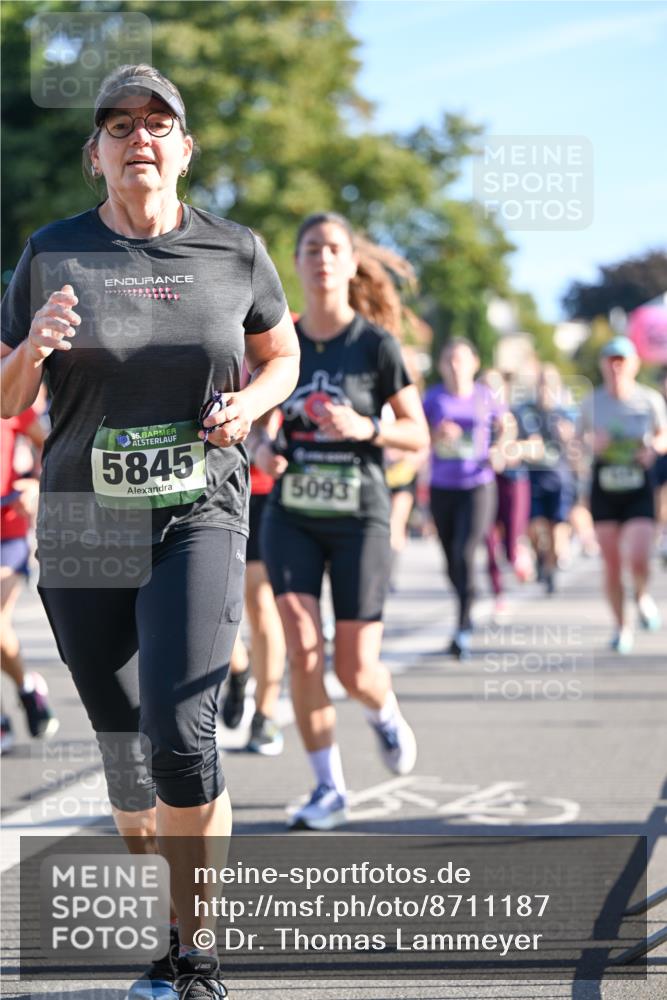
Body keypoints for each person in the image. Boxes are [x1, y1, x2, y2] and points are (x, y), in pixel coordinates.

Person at [1, 64, 299, 1000]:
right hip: (84, 521)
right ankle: (171, 905)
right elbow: (6, 397)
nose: (140, 137)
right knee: (130, 761)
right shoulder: (52, 252)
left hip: (197, 509)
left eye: (158, 123)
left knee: (181, 734)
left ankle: (194, 953)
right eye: (119, 125)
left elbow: (281, 353)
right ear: (94, 154)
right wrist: (33, 346)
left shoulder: (236, 251)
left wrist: (249, 404)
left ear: (185, 148)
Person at [256, 212, 429, 831]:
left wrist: (367, 427)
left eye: (334, 248)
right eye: (312, 249)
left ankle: (382, 710)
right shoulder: (279, 339)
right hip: (292, 515)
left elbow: (418, 434)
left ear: (352, 264)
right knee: (304, 651)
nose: (323, 258)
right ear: (296, 262)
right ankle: (328, 788)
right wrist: (261, 448)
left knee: (355, 670)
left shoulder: (375, 346)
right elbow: (259, 419)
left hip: (360, 517)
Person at [423, 339, 512, 658]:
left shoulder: (487, 396)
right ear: (441, 365)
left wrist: (500, 448)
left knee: (465, 550)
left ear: (474, 363)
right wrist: (436, 434)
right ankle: (466, 597)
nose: (455, 366)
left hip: (478, 485)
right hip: (442, 486)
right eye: (449, 359)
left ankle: (462, 623)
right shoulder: (432, 398)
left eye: (460, 359)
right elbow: (418, 434)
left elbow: (508, 427)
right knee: (450, 559)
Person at [579, 337, 667, 653]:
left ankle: (641, 596)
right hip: (604, 486)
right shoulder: (591, 402)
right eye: (610, 360)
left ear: (634, 365)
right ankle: (621, 627)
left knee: (640, 556)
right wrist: (590, 443)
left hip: (638, 484)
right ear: (603, 365)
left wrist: (653, 449)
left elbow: (663, 435)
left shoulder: (649, 400)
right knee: (613, 563)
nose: (616, 366)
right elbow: (576, 441)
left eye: (622, 360)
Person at [221, 410, 287, 755]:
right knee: (215, 601)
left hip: (265, 494)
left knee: (260, 603)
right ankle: (239, 668)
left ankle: (265, 714)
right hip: (215, 485)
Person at [1, 405, 58, 752]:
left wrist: (35, 484)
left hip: (6, 531)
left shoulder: (6, 399)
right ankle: (23, 692)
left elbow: (48, 443)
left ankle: (25, 687)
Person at [517, 364, 577, 594]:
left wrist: (568, 437)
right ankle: (539, 556)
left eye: (550, 382)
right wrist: (526, 445)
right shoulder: (526, 412)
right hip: (532, 477)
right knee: (534, 527)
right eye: (542, 382)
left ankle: (550, 568)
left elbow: (577, 446)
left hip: (558, 478)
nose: (545, 387)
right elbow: (515, 440)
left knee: (555, 529)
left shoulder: (566, 413)